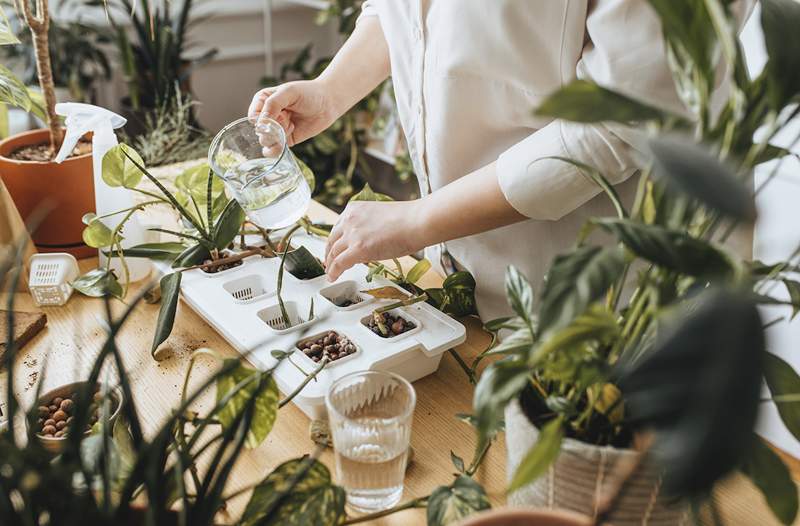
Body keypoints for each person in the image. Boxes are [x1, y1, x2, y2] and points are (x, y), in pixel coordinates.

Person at [249, 1, 754, 321]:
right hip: (449, 281)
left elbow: (619, 122)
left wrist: (418, 218)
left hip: (591, 309)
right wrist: (330, 92)